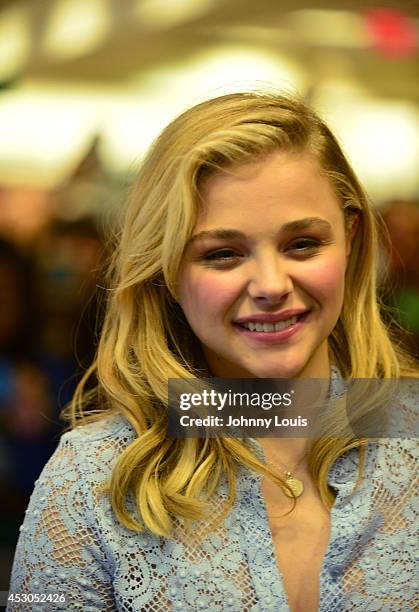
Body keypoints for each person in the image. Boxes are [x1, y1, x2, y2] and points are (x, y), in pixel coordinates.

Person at [7, 91, 418, 611]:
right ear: (167, 271)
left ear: (351, 239)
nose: (271, 284)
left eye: (302, 244)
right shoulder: (93, 477)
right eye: (222, 254)